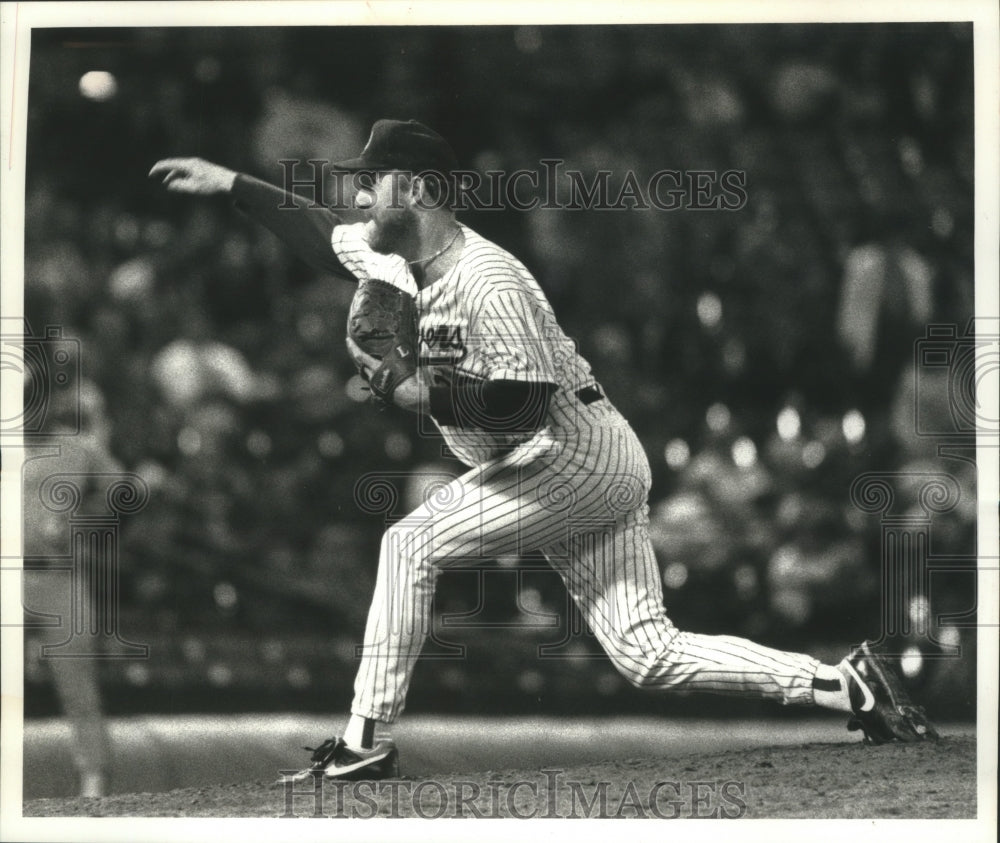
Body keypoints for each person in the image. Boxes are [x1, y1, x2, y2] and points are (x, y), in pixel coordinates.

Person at [150, 119, 938, 782]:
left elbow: (522, 402)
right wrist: (232, 185)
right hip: (568, 460)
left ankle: (364, 741)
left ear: (420, 190)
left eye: (375, 180)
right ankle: (845, 683)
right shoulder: (391, 255)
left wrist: (415, 392)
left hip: (571, 449)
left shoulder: (489, 278)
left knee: (409, 542)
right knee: (647, 653)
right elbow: (324, 237)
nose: (359, 194)